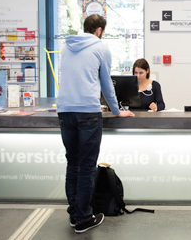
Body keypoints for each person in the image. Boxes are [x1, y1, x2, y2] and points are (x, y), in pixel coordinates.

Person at [57, 14, 135, 234]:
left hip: (65, 110)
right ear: (99, 30)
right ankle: (83, 218)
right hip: (87, 112)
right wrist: (117, 111)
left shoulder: (66, 46)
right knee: (87, 167)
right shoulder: (100, 47)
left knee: (72, 164)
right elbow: (106, 84)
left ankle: (74, 213)